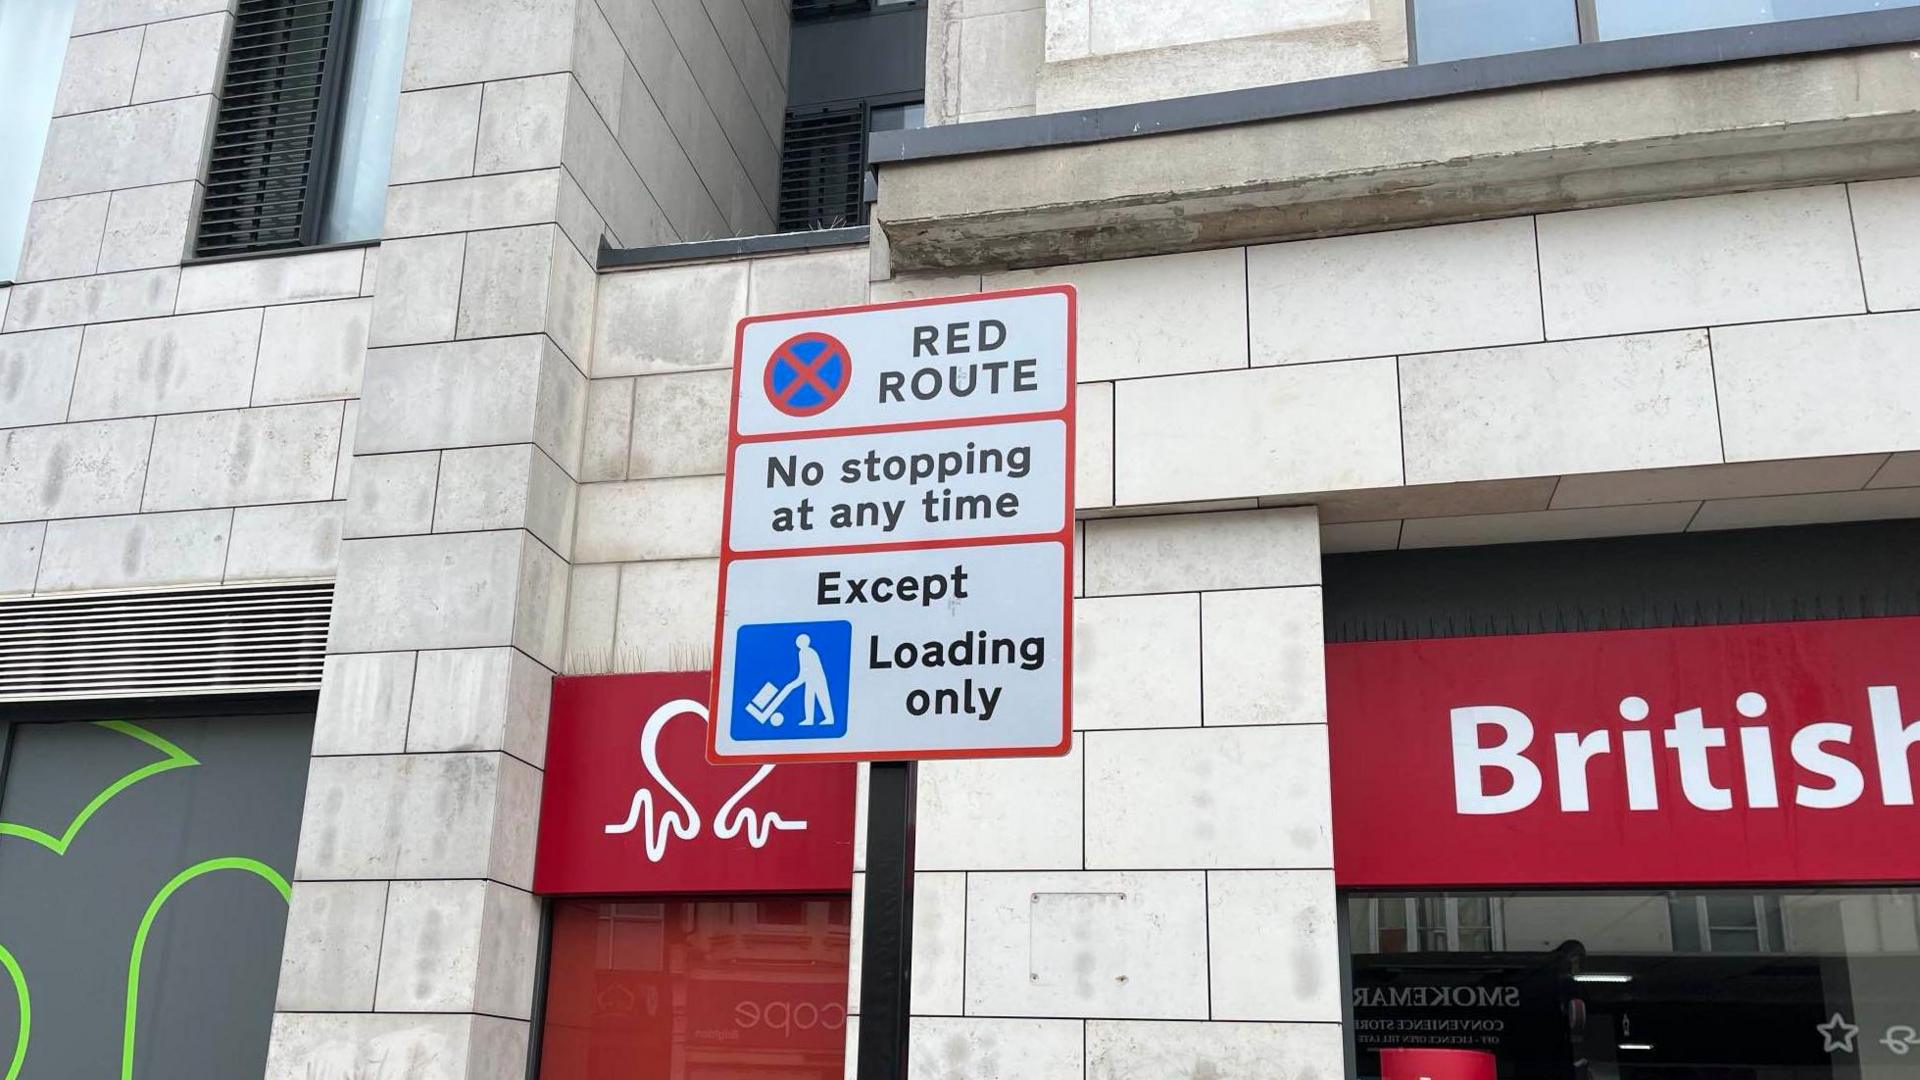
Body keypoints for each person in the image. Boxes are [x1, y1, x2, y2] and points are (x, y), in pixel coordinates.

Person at [779, 633, 836, 727]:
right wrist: (794, 683)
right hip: (810, 679)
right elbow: (803, 672)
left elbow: (804, 673)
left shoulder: (808, 652)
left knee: (823, 698)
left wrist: (793, 684)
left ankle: (829, 719)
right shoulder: (802, 652)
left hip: (818, 679)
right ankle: (809, 719)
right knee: (809, 698)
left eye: (800, 641)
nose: (798, 643)